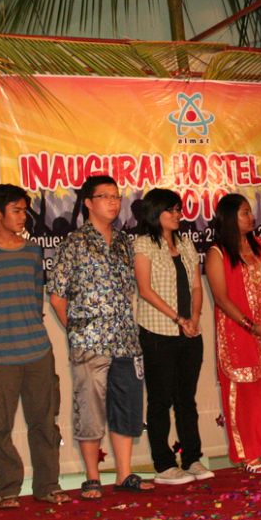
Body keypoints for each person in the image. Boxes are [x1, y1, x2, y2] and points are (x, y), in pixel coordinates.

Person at [47, 175, 153, 498]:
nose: (113, 202)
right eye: (105, 196)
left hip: (125, 340)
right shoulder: (74, 243)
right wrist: (77, 330)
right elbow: (57, 296)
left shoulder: (124, 242)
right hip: (89, 342)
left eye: (116, 196)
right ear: (88, 203)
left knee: (126, 407)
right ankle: (92, 477)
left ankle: (124, 474)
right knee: (90, 410)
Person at [0, 184, 70, 509]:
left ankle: (48, 485)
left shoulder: (33, 251)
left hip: (38, 351)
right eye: (16, 210)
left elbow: (37, 299)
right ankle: (8, 488)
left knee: (45, 422)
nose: (23, 216)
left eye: (25, 210)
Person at [204, 194, 261, 474]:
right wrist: (250, 325)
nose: (251, 217)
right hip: (239, 331)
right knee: (244, 394)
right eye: (244, 213)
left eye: (250, 212)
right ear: (230, 217)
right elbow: (221, 297)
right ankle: (248, 453)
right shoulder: (217, 253)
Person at [133, 188, 211, 485]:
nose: (178, 214)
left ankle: (192, 458)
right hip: (158, 333)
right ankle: (164, 463)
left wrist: (194, 318)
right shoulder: (144, 244)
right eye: (172, 210)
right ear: (156, 213)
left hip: (189, 332)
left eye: (179, 209)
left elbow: (196, 286)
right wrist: (178, 318)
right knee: (160, 400)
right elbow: (145, 290)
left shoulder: (186, 243)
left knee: (186, 399)